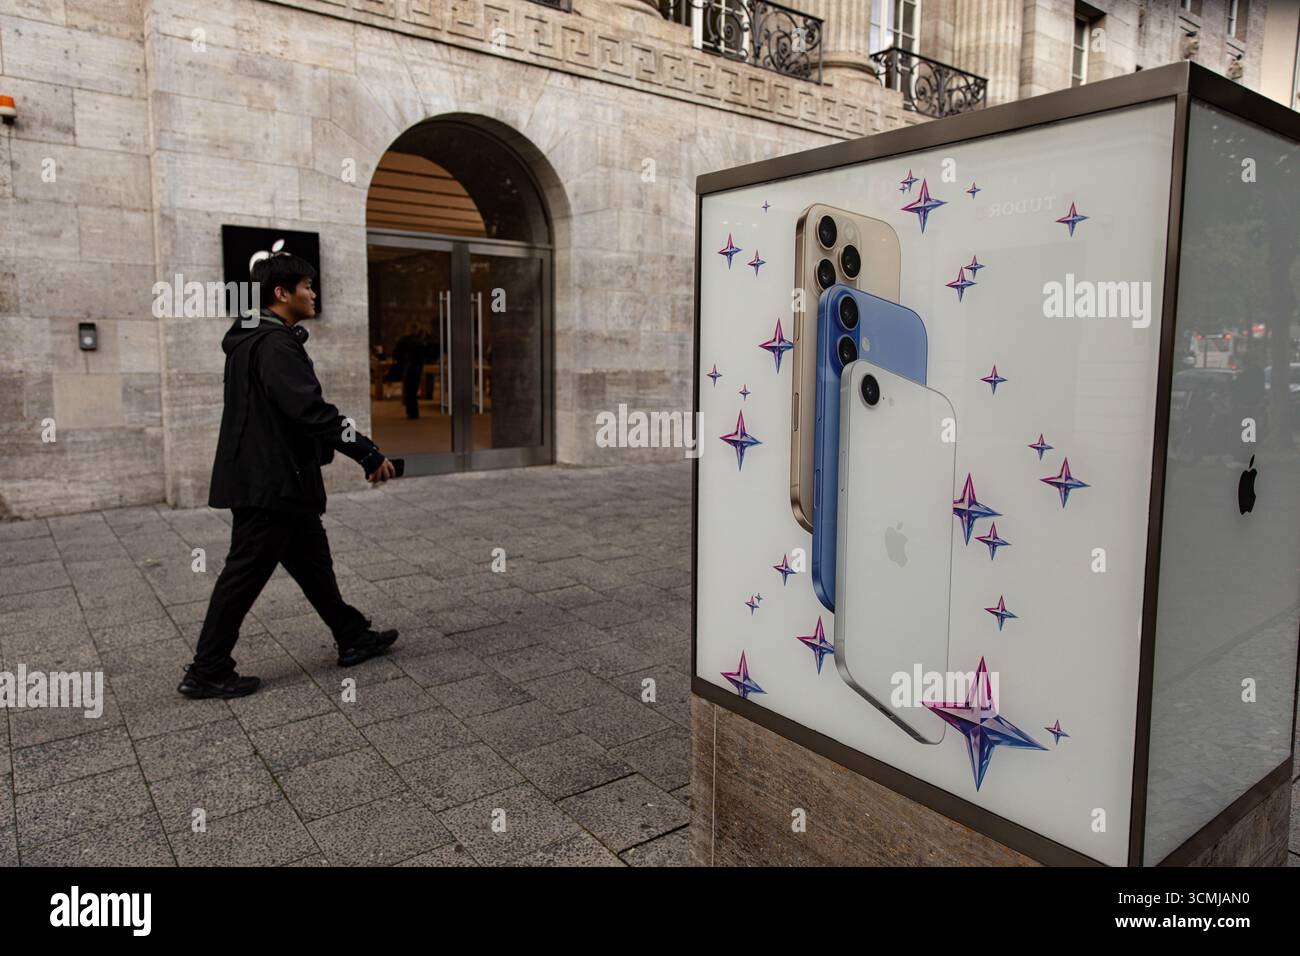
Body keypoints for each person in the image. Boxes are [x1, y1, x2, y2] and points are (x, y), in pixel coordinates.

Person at [178, 253, 400, 699]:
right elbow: (310, 412)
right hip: (271, 482)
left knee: (313, 563)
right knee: (243, 575)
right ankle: (207, 669)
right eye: (307, 286)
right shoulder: (274, 345)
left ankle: (352, 634)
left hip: (278, 478)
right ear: (282, 293)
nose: (314, 293)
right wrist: (367, 451)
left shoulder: (252, 339)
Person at [392, 321, 429, 419]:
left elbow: (396, 353)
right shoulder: (419, 341)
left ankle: (411, 412)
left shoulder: (404, 340)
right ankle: (413, 412)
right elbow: (423, 355)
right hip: (416, 367)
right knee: (413, 390)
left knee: (409, 390)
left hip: (407, 367)